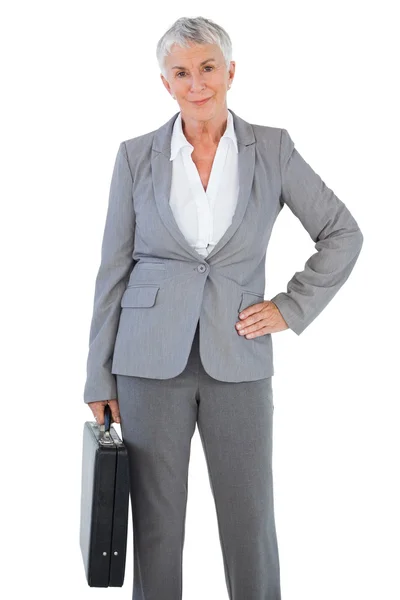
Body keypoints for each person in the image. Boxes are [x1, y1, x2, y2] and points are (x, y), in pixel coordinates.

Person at [83, 15, 363, 600]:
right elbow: (113, 269)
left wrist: (290, 306)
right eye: (181, 72)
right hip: (145, 364)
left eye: (208, 68)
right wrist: (97, 373)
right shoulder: (136, 156)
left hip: (238, 354)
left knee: (250, 522)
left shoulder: (273, 148)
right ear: (165, 83)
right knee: (156, 530)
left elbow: (342, 232)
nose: (196, 83)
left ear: (230, 72)